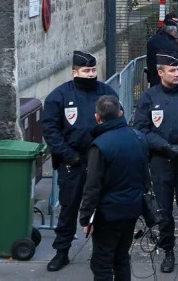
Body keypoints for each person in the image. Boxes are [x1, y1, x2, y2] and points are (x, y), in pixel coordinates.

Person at [42, 51, 119, 272]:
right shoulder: (59, 96)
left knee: (103, 208)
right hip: (73, 162)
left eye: (93, 70)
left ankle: (103, 253)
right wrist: (69, 155)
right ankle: (62, 252)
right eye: (86, 71)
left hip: (101, 160)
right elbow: (51, 130)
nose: (91, 74)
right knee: (69, 208)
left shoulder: (106, 93)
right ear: (75, 72)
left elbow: (117, 121)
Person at [133, 52, 178, 278]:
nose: (177, 74)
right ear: (160, 72)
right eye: (172, 70)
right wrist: (164, 146)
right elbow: (141, 129)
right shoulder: (149, 97)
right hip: (160, 161)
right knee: (163, 210)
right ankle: (168, 252)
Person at [79, 95, 150, 281]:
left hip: (108, 213)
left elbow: (92, 186)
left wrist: (86, 218)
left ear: (97, 117)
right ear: (120, 113)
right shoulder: (138, 137)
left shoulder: (99, 146)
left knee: (102, 262)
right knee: (121, 257)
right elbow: (145, 176)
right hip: (132, 208)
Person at [146, 17, 178, 87]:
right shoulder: (173, 46)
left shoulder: (152, 40)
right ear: (173, 32)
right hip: (168, 81)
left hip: (154, 78)